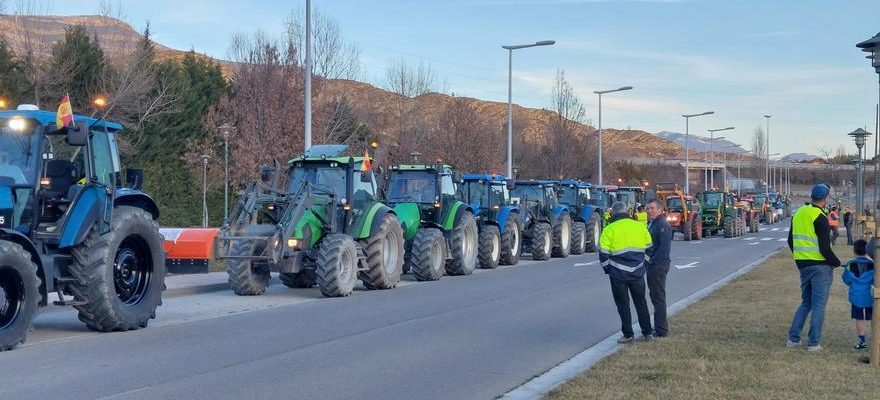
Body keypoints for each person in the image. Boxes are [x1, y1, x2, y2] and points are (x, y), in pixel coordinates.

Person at [786, 183, 841, 352]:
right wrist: (837, 262)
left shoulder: (799, 213)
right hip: (820, 266)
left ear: (812, 196)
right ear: (825, 199)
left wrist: (800, 258)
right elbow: (825, 248)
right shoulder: (820, 217)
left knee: (806, 303)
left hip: (803, 265)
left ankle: (793, 339)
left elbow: (790, 240)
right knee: (818, 305)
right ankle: (813, 343)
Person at [600, 201, 654, 343]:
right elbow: (649, 248)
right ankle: (648, 332)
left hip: (617, 274)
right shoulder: (640, 227)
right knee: (641, 303)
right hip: (638, 273)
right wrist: (644, 266)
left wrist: (608, 270)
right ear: (628, 213)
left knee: (623, 305)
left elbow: (603, 254)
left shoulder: (608, 229)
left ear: (613, 213)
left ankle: (628, 334)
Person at [645, 198, 673, 337]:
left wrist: (651, 262)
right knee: (655, 296)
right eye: (648, 208)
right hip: (653, 265)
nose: (649, 211)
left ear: (660, 210)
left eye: (652, 208)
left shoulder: (663, 224)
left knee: (658, 297)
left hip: (658, 265)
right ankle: (658, 326)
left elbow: (663, 249)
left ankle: (662, 330)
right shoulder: (652, 223)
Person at [841, 239, 874, 350]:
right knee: (875, 318)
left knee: (859, 318)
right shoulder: (874, 265)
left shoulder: (850, 265)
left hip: (856, 297)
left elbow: (846, 280)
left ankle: (861, 341)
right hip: (871, 297)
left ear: (854, 251)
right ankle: (876, 339)